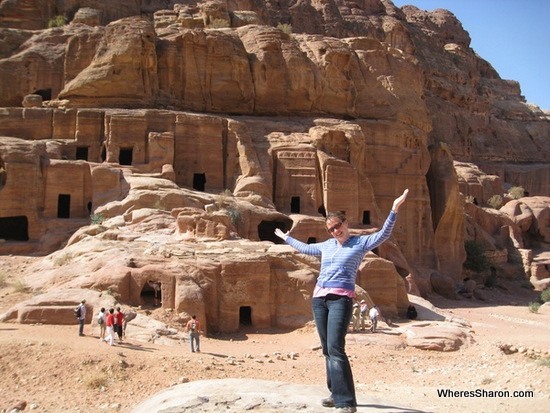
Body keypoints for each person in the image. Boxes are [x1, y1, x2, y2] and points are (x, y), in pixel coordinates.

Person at [274, 188, 409, 413]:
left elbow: (384, 234)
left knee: (336, 348)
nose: (335, 231)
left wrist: (394, 209)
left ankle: (346, 401)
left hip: (341, 299)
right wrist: (286, 237)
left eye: (337, 226)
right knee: (327, 349)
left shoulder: (360, 243)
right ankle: (334, 392)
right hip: (319, 299)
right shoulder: (326, 246)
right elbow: (306, 248)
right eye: (331, 229)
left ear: (345, 223)